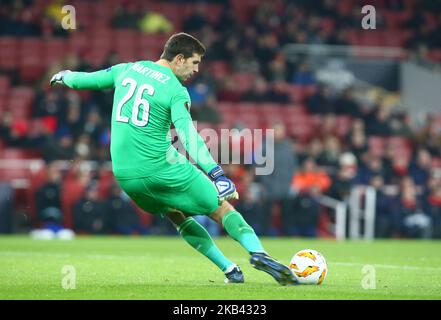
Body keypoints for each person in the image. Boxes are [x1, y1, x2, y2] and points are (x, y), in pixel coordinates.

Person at [50, 32, 297, 285]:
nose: (196, 69)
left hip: (126, 176)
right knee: (222, 208)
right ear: (179, 59)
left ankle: (230, 270)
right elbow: (189, 137)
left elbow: (88, 80)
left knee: (176, 214)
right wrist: (217, 174)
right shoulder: (176, 91)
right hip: (161, 169)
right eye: (194, 62)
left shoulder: (127, 69)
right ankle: (258, 253)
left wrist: (64, 76)